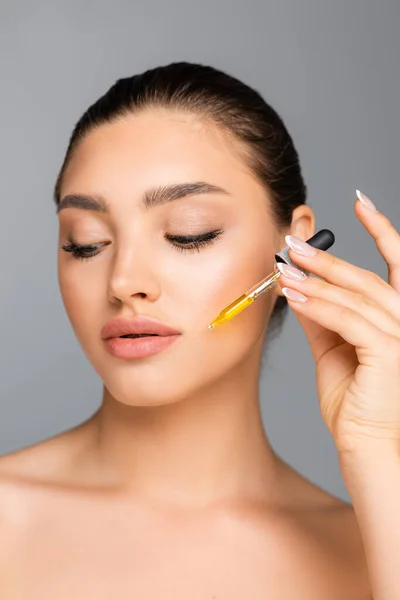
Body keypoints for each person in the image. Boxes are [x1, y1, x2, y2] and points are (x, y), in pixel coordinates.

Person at [0, 61, 374, 598]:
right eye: (85, 242)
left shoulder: (375, 548)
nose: (124, 281)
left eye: (188, 233)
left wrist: (379, 448)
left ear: (297, 252)